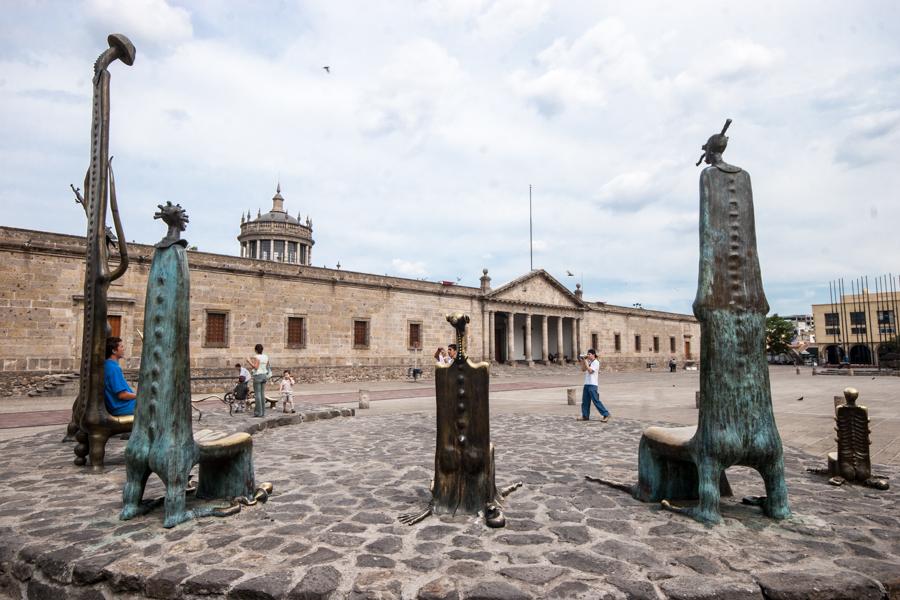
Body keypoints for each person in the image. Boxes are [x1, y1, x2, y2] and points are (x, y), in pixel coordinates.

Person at [104, 336, 136, 416]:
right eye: (121, 346)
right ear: (114, 351)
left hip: (122, 405)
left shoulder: (108, 365)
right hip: (122, 407)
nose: (123, 349)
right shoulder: (113, 368)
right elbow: (122, 395)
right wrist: (139, 395)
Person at [576, 348, 609, 422]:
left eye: (589, 354)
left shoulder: (596, 362)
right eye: (587, 354)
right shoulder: (589, 362)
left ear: (593, 355)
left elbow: (590, 371)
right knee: (585, 401)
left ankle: (606, 414)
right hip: (587, 383)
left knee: (596, 401)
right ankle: (585, 415)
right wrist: (583, 361)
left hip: (593, 384)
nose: (588, 355)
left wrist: (586, 362)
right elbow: (583, 369)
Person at [247, 343, 269, 417]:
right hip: (264, 375)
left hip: (258, 376)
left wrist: (249, 361)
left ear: (255, 350)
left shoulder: (256, 357)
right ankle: (263, 412)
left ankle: (258, 412)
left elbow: (256, 367)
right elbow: (266, 366)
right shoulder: (266, 356)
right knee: (262, 394)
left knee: (257, 394)